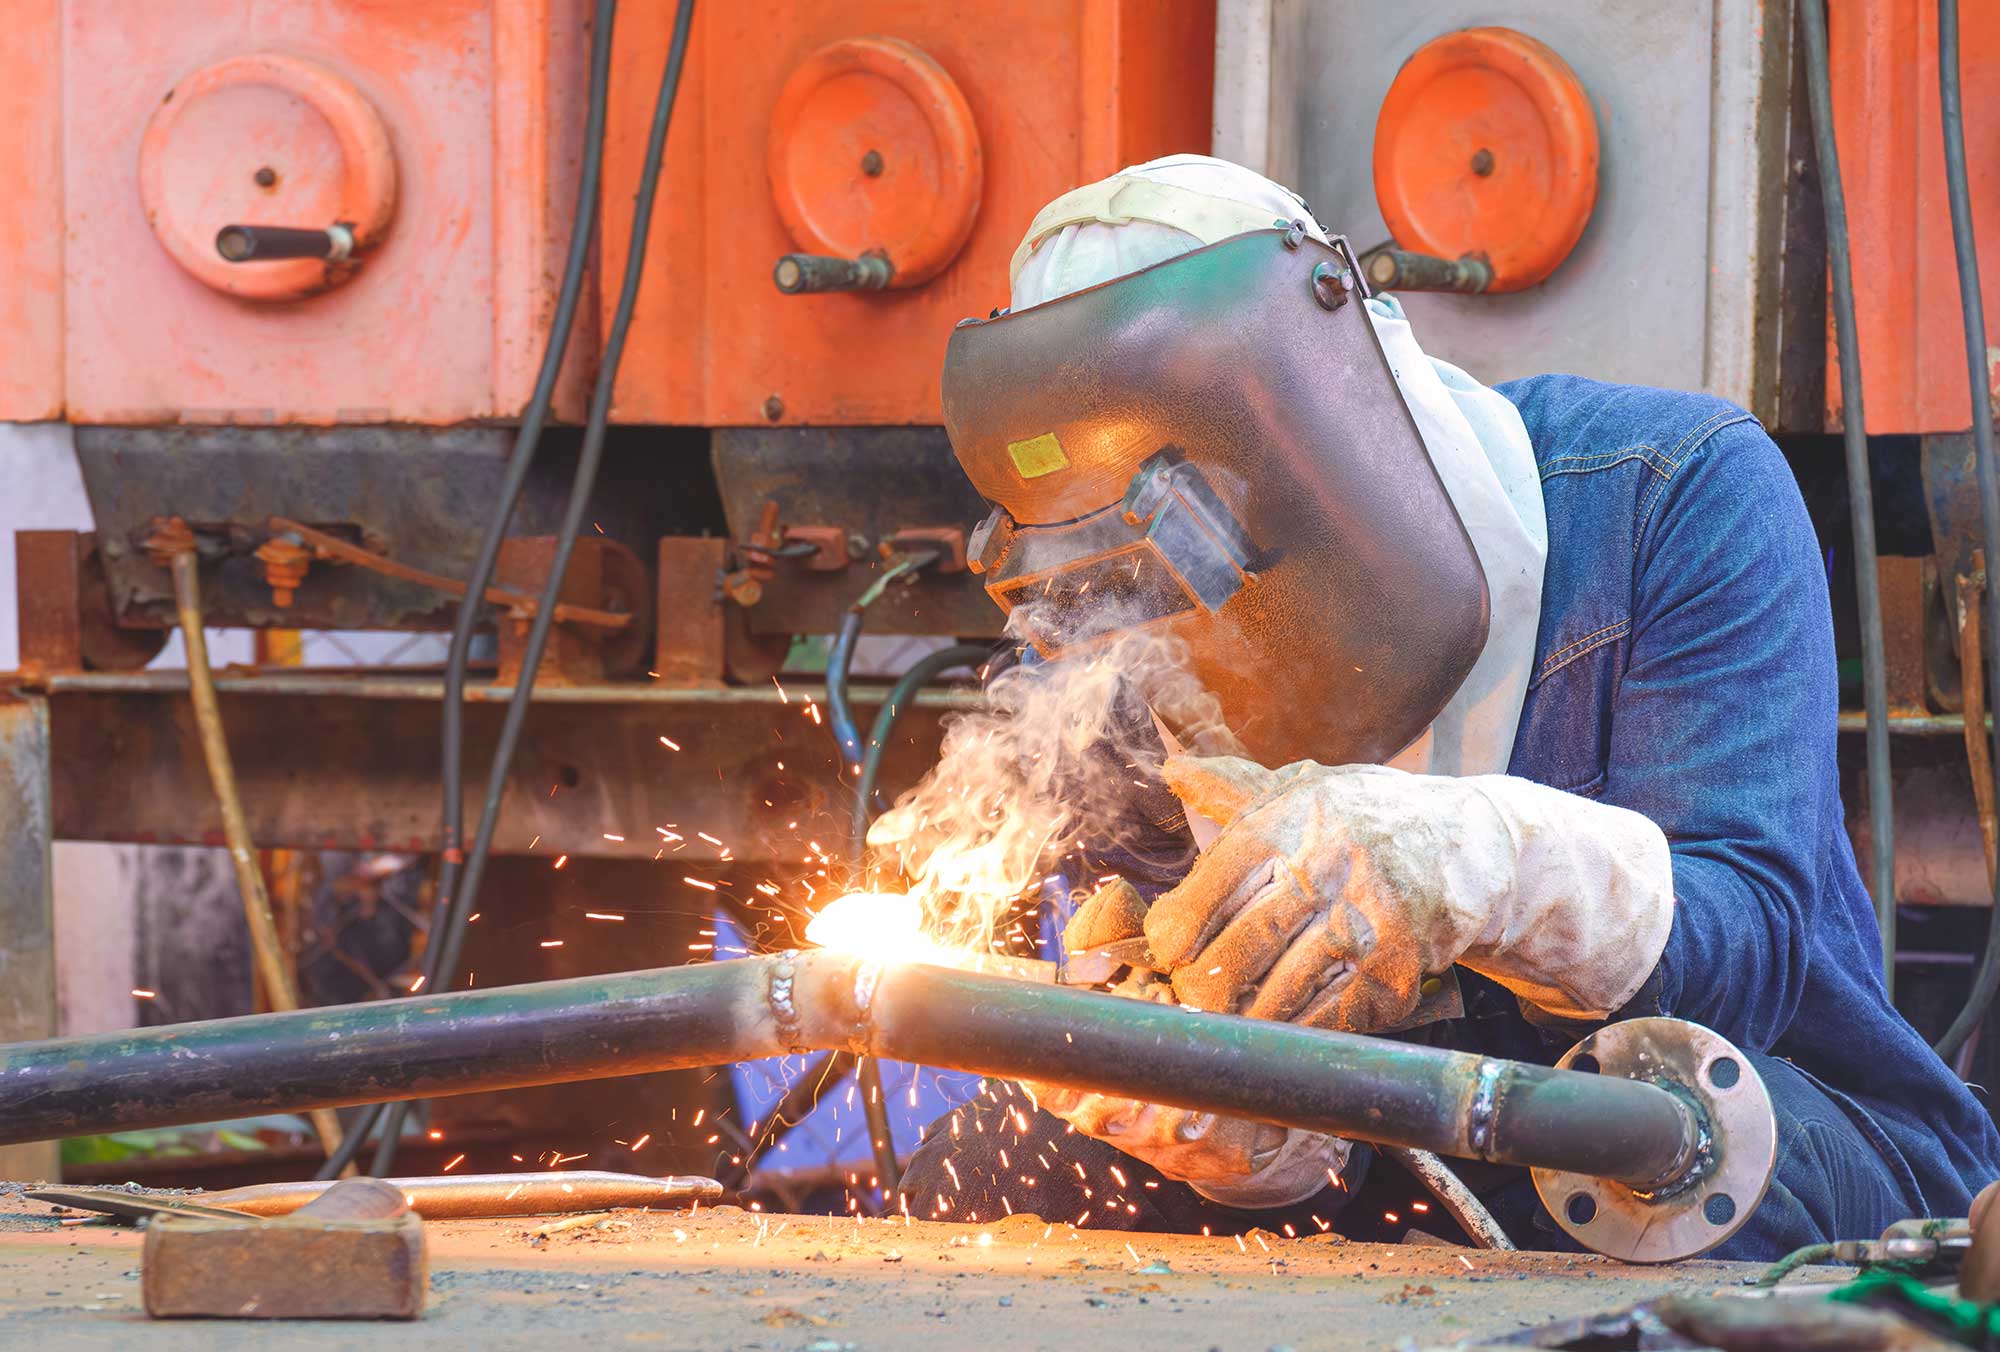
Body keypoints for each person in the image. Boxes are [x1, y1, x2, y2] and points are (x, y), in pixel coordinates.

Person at [894, 154, 2000, 1258]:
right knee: (978, 1165)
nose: (1164, 626)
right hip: (1401, 1159)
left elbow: (1744, 952)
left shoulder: (1673, 491)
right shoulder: (1112, 650)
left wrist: (1480, 861)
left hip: (1761, 1143)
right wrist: (1228, 1114)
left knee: (1672, 1137)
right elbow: (1197, 1008)